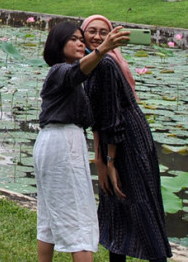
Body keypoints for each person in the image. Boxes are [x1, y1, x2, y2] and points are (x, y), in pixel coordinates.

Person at [35, 21, 128, 262]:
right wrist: (103, 48)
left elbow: (86, 72)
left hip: (51, 142)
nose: (80, 43)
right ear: (58, 45)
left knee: (49, 217)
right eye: (73, 39)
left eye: (81, 39)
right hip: (64, 144)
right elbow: (77, 72)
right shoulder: (60, 71)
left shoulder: (69, 76)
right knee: (80, 220)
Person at [83, 19, 172, 262]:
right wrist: (100, 160)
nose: (97, 37)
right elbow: (99, 118)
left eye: (103, 32)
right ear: (82, 34)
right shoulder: (92, 63)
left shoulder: (105, 64)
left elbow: (113, 118)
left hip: (127, 140)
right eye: (92, 31)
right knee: (115, 209)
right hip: (113, 138)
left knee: (139, 205)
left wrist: (110, 161)